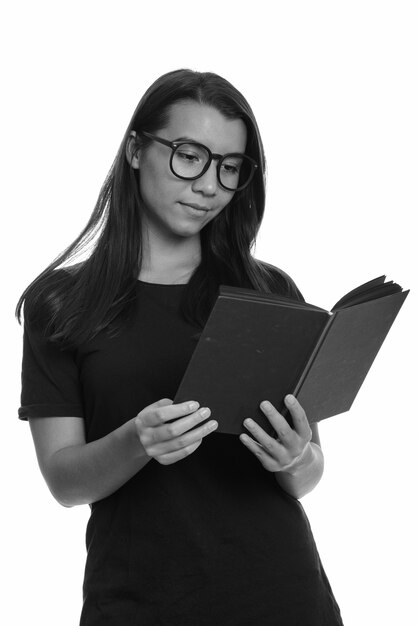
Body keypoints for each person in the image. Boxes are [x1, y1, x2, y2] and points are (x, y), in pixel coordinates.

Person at [17, 69, 344, 625]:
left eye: (230, 167)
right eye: (190, 155)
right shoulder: (62, 303)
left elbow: (310, 473)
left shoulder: (268, 293)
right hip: (138, 603)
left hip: (284, 598)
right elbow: (64, 483)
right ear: (136, 150)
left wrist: (296, 456)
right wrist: (136, 440)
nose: (209, 185)